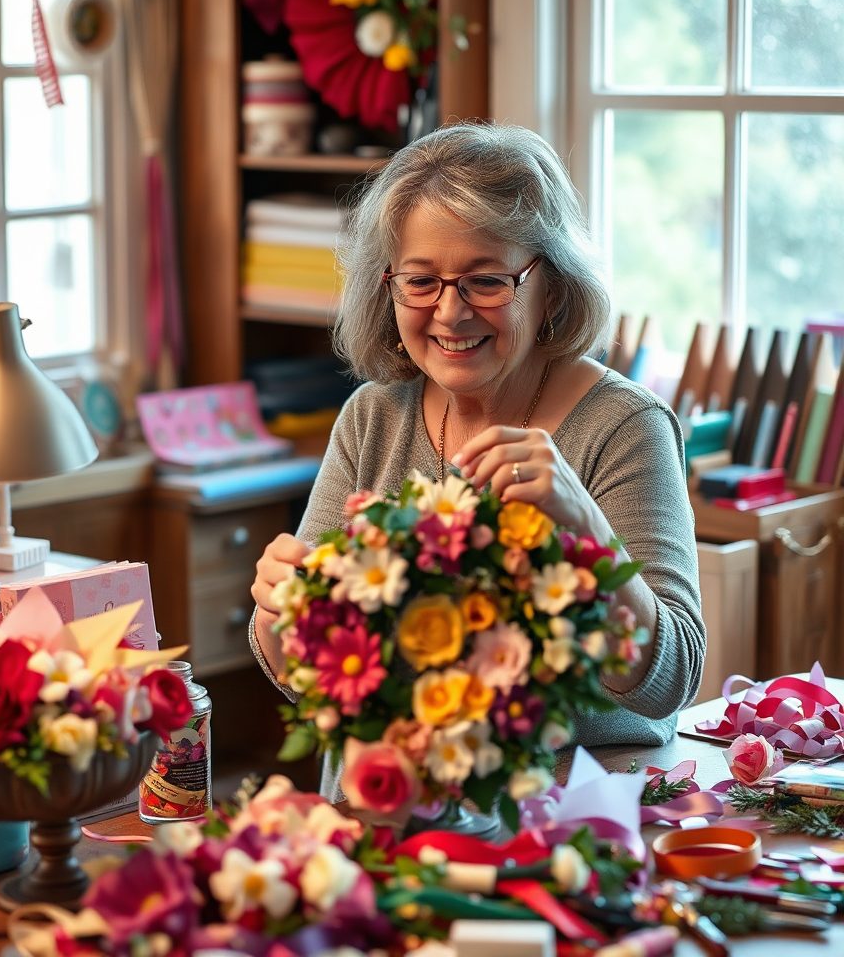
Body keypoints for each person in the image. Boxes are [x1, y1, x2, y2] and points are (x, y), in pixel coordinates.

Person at [249, 123, 704, 793]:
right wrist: (277, 613)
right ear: (389, 285)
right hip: (386, 813)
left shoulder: (623, 425)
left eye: (486, 280)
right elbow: (308, 681)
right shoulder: (373, 416)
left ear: (552, 286)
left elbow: (668, 682)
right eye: (421, 280)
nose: (451, 312)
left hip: (570, 821)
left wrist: (585, 528)